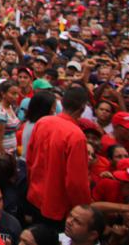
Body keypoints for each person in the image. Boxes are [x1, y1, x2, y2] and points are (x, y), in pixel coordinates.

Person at [26, 86, 92, 232]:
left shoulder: (43, 122)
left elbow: (30, 160)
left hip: (36, 197)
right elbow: (76, 182)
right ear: (82, 108)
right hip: (57, 207)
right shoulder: (76, 136)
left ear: (62, 101)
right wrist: (83, 209)